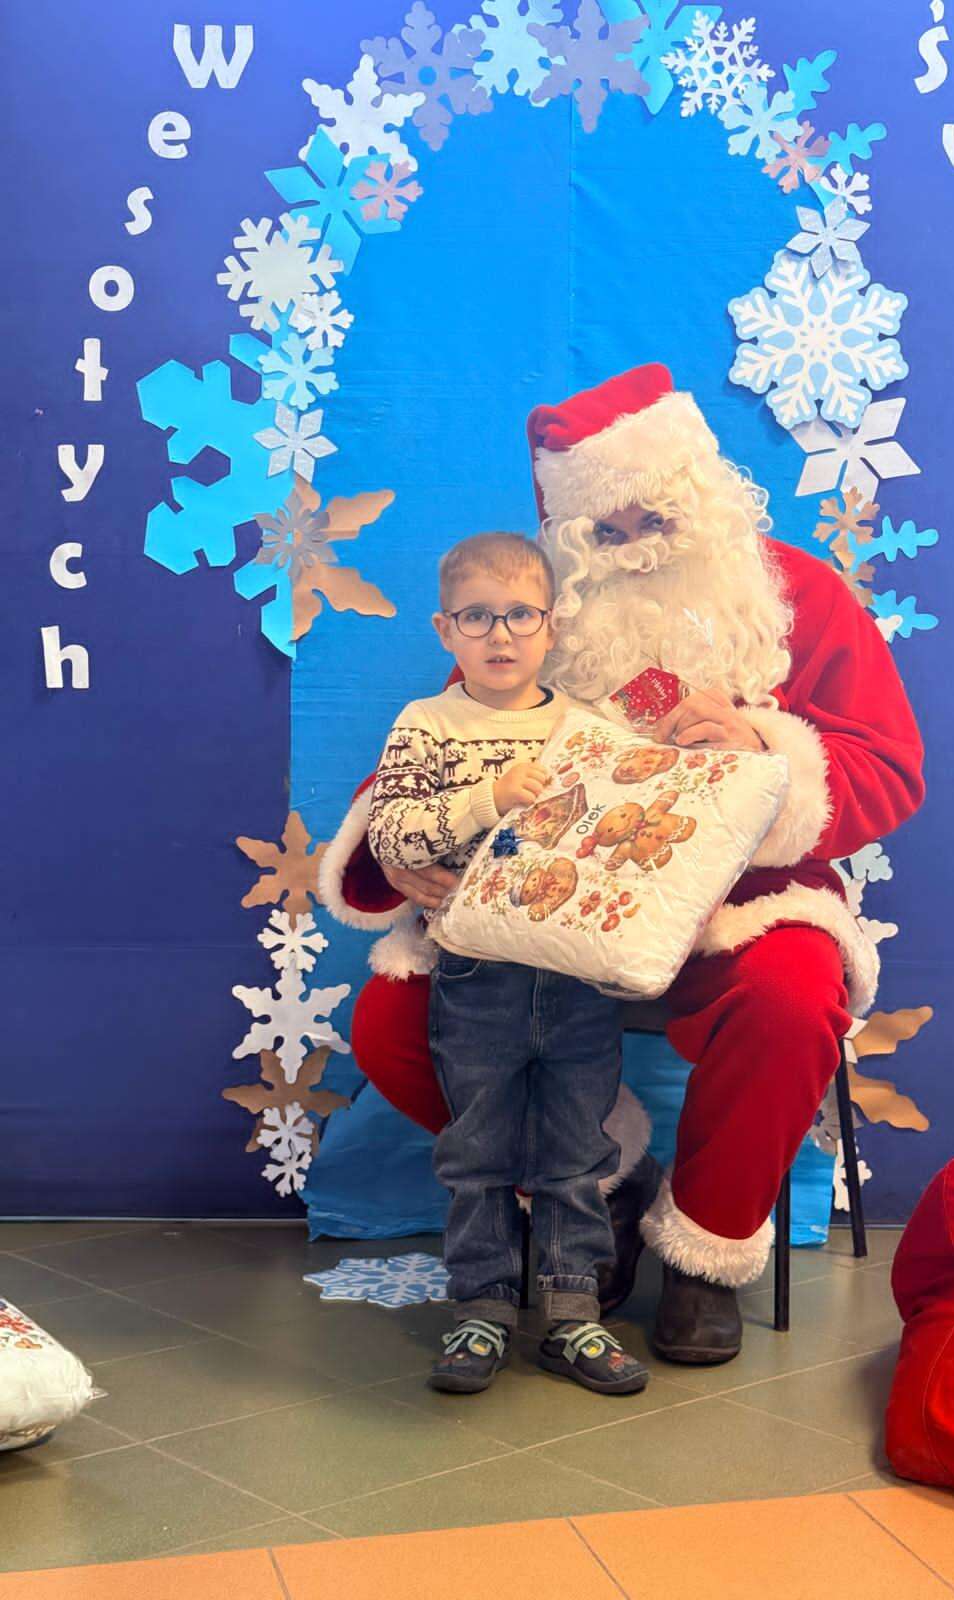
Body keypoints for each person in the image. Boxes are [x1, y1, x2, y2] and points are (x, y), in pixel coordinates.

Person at [320, 364, 925, 1366]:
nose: (640, 542)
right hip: (555, 902)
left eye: (660, 515)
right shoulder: (543, 612)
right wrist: (407, 851)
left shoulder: (800, 596)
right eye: (610, 528)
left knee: (791, 998)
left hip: (741, 901)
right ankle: (592, 1188)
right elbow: (445, 737)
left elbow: (888, 766)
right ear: (573, 534)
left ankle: (705, 1251)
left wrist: (765, 753)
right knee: (393, 1018)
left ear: (704, 493)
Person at [367, 530, 649, 1396]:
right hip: (476, 974)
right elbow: (392, 835)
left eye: (521, 615)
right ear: (444, 628)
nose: (500, 634)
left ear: (552, 625)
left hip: (576, 977)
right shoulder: (428, 723)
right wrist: (488, 797)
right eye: (477, 617)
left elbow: (621, 833)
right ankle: (482, 1307)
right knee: (478, 1149)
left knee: (577, 1151)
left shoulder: (587, 731)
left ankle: (572, 1314)